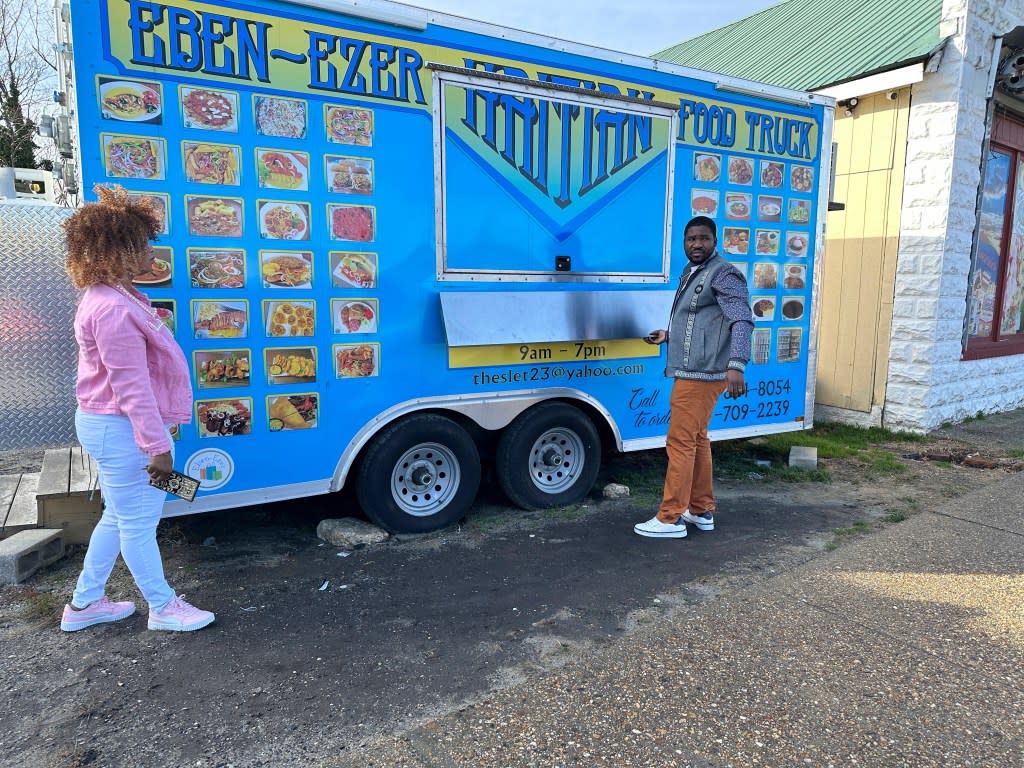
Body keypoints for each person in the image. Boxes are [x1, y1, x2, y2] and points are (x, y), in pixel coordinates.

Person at [60, 185, 215, 632]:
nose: (152, 253)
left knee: (119, 514)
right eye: (142, 245)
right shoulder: (110, 308)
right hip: (121, 426)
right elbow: (131, 387)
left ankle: (85, 604)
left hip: (112, 424)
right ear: (118, 250)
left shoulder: (117, 297)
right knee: (138, 521)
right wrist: (157, 446)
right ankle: (163, 607)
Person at [634, 215, 753, 539]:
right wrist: (669, 335)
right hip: (696, 369)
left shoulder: (723, 273)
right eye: (691, 239)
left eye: (703, 238)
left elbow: (741, 320)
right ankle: (700, 510)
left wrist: (737, 365)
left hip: (701, 374)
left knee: (680, 442)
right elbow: (702, 323)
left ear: (715, 241)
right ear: (684, 243)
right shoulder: (692, 272)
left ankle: (670, 517)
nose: (696, 244)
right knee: (697, 440)